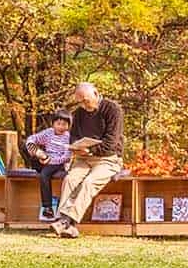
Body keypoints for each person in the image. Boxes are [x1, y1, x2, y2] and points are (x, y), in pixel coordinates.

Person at [52, 82, 125, 238]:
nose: (84, 105)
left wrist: (90, 149)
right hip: (83, 158)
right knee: (70, 179)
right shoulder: (79, 113)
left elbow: (111, 143)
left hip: (108, 159)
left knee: (89, 182)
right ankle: (66, 224)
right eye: (80, 101)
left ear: (96, 94)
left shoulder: (113, 110)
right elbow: (74, 137)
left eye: (85, 100)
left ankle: (66, 221)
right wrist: (76, 148)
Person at [24, 110, 73, 221]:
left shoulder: (68, 137)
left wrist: (49, 161)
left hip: (58, 162)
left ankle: (47, 207)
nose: (61, 127)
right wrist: (40, 154)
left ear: (69, 126)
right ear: (53, 123)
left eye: (64, 124)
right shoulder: (48, 133)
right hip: (44, 158)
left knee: (44, 175)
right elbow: (32, 139)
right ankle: (40, 159)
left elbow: (66, 157)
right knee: (26, 146)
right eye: (58, 123)